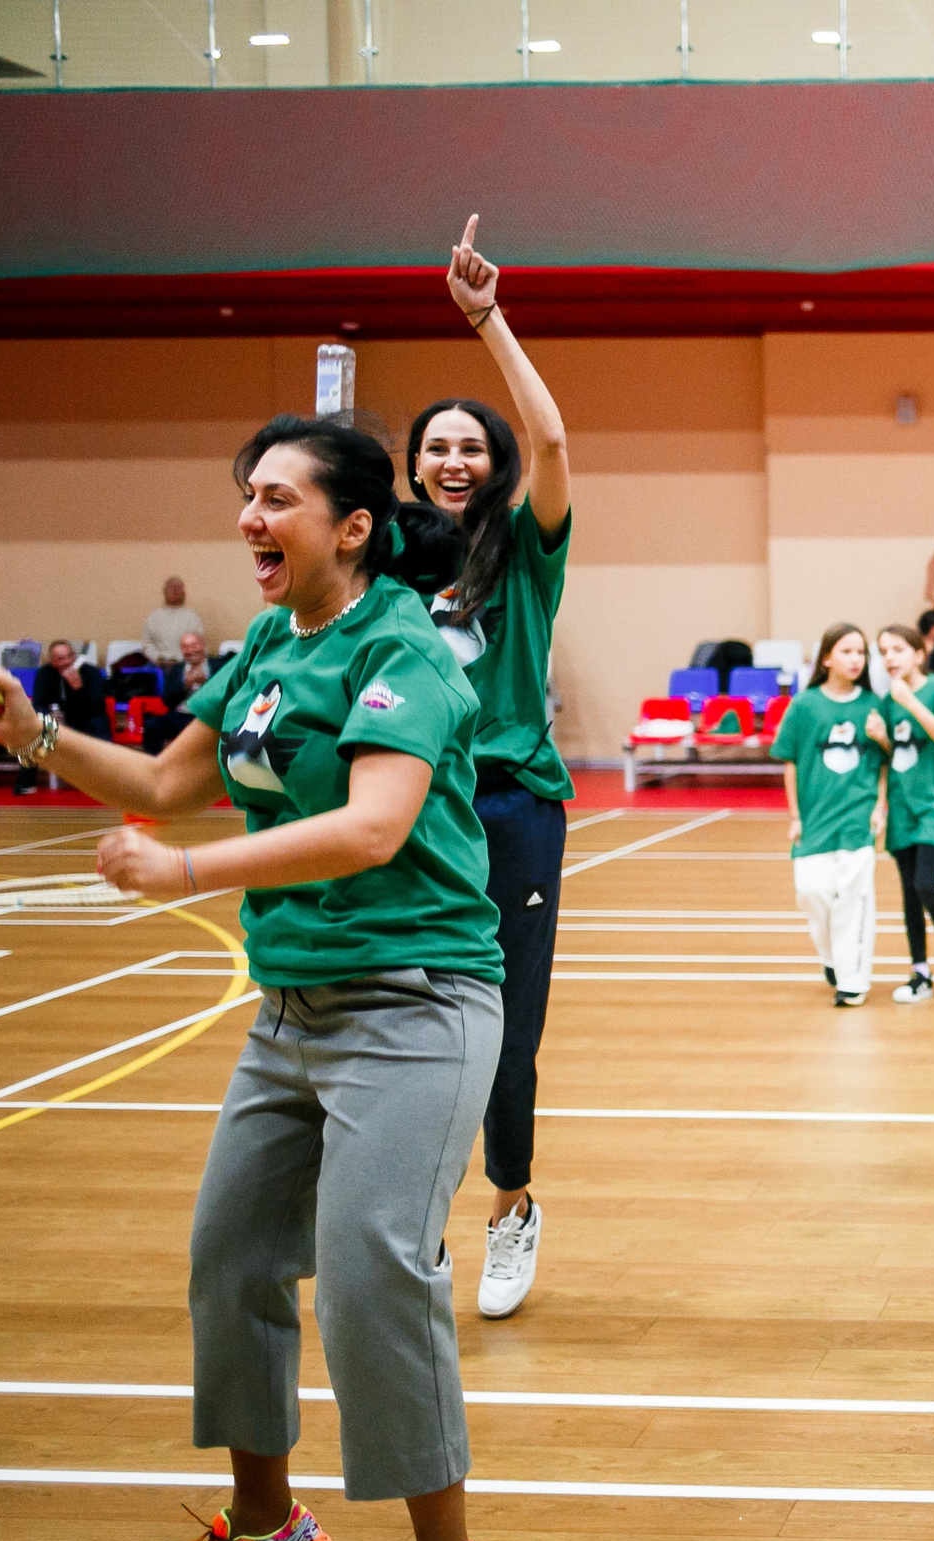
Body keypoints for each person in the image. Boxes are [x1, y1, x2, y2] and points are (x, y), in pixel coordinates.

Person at [0, 413, 506, 1541]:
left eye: (277, 498)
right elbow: (163, 784)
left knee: (376, 1267)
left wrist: (189, 873)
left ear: (353, 525)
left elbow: (374, 827)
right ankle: (265, 1523)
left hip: (418, 1002)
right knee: (232, 1255)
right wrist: (33, 735)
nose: (251, 518)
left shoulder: (404, 648)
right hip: (293, 1010)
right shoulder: (267, 645)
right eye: (245, 497)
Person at [374, 216, 579, 1323]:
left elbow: (552, 444)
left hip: (510, 806)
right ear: (412, 469)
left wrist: (486, 317)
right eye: (437, 447)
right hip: (406, 804)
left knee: (506, 1019)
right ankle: (419, 1218)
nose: (456, 459)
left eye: (472, 446)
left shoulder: (528, 549)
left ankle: (511, 1209)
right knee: (411, 1015)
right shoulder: (390, 564)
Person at [772, 622, 888, 1008]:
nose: (856, 659)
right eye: (847, 651)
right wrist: (794, 816)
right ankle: (831, 959)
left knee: (854, 900)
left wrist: (879, 805)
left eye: (861, 653)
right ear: (826, 658)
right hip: (814, 819)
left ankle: (852, 981)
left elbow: (885, 762)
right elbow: (789, 762)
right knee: (812, 893)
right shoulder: (804, 706)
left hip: (858, 817)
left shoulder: (873, 705)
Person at [875, 623, 934, 1003]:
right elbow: (890, 757)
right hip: (900, 806)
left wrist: (909, 701)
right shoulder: (886, 700)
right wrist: (881, 739)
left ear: (918, 654)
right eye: (883, 651)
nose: (889, 658)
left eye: (897, 649)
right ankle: (919, 972)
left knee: (925, 884)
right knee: (908, 894)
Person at [19, 639, 111, 793]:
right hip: (56, 720)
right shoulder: (44, 673)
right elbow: (38, 704)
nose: (67, 662)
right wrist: (49, 715)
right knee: (33, 732)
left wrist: (79, 689)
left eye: (70, 656)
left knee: (99, 723)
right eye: (61, 659)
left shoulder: (89, 672)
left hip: (85, 717)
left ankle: (108, 781)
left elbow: (98, 705)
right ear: (52, 661)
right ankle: (26, 783)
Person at [143, 630, 216, 755]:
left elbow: (228, 693)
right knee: (152, 725)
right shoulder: (177, 669)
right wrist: (185, 686)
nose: (191, 650)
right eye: (186, 647)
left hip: (209, 716)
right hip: (182, 715)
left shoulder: (218, 666)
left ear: (203, 644)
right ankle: (156, 763)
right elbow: (167, 701)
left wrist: (207, 682)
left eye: (194, 645)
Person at [141, 574, 205, 664]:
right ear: (164, 592)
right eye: (171, 588)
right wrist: (158, 659)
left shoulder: (192, 617)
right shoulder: (153, 617)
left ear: (183, 592)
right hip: (158, 664)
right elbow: (146, 644)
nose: (175, 591)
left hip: (184, 664)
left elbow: (197, 645)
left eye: (178, 588)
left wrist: (177, 660)